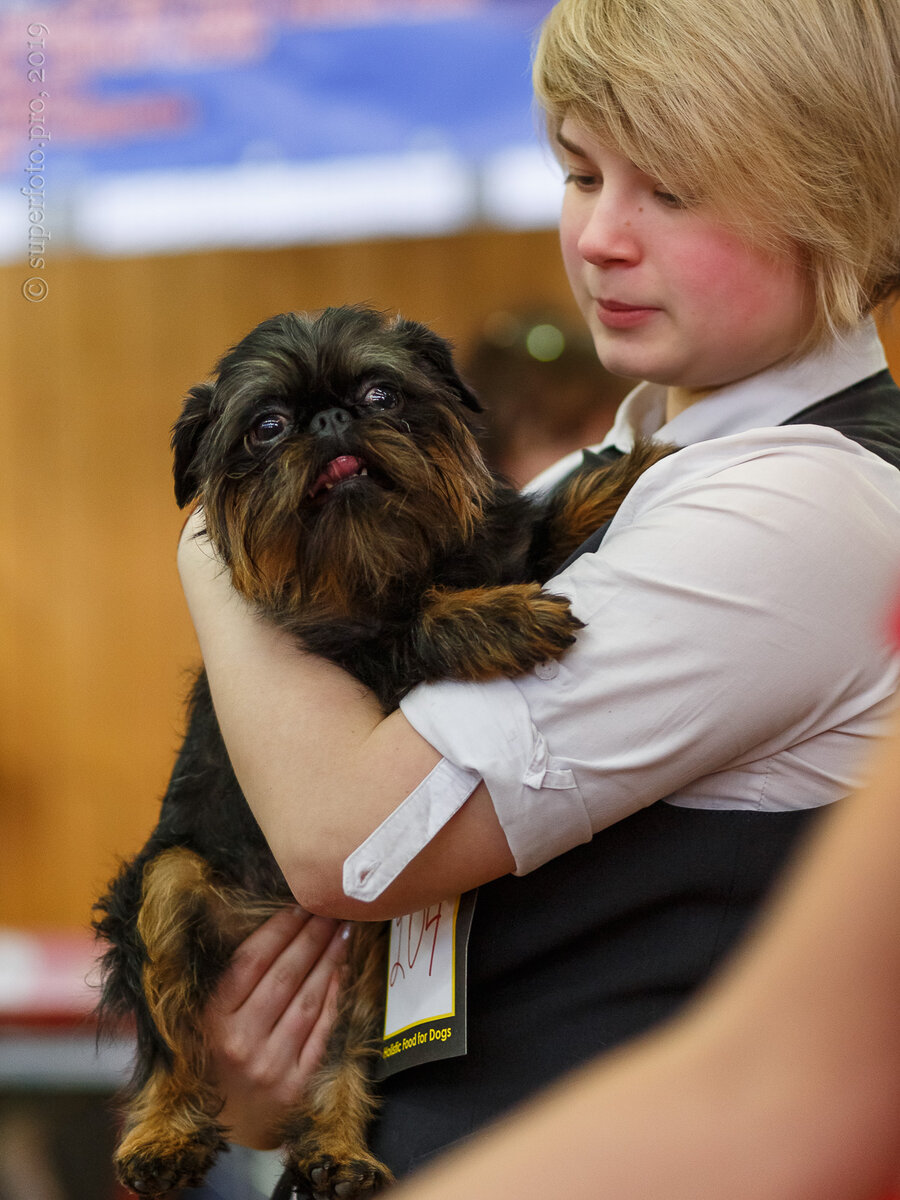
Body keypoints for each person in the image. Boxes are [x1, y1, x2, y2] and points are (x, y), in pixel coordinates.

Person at [177, 0, 900, 1182]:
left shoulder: (806, 507)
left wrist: (213, 533)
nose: (601, 237)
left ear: (834, 192)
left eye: (670, 190)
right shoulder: (605, 475)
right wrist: (262, 1078)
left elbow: (353, 841)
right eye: (577, 174)